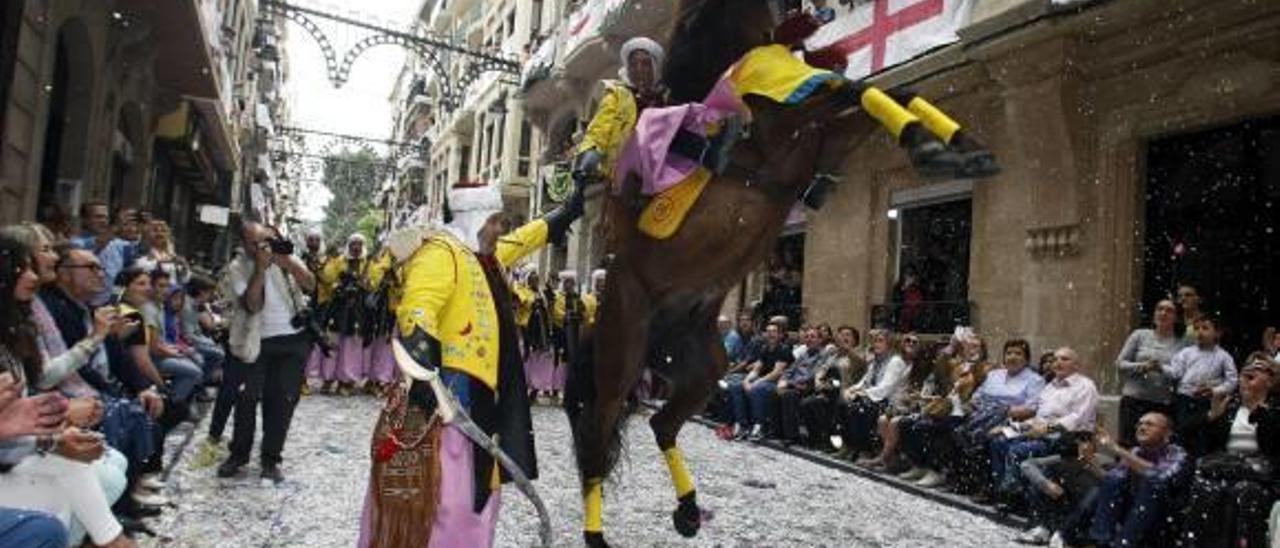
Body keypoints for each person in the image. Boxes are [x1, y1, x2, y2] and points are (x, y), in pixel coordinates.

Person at [358, 179, 585, 547]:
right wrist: (425, 379)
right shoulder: (441, 253)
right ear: (475, 217)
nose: (500, 229)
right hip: (447, 404)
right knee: (447, 498)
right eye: (495, 221)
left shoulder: (482, 256)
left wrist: (566, 213)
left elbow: (520, 240)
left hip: (481, 402)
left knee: (476, 494)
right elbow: (417, 310)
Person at [0, 234, 135, 548]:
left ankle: (112, 539)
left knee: (90, 474)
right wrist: (52, 436)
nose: (34, 275)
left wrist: (52, 434)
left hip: (21, 446)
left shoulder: (20, 323)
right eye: (23, 268)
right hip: (16, 454)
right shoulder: (45, 311)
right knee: (68, 502)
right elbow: (47, 379)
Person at [570, 37, 742, 198]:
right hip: (627, 167)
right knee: (655, 119)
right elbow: (599, 130)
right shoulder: (618, 96)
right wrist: (589, 156)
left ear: (655, 67)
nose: (639, 69)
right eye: (634, 64)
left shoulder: (666, 95)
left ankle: (716, 146)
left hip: (665, 162)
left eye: (645, 64)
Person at [215, 222, 316, 484]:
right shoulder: (238, 268)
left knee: (281, 403)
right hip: (255, 342)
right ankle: (239, 455)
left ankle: (271, 460)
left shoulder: (286, 258)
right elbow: (252, 304)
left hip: (292, 341)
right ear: (245, 245)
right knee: (246, 400)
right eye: (255, 243)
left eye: (267, 241)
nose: (262, 247)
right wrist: (260, 268)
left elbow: (311, 284)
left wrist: (288, 264)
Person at [1179, 354, 1280, 547]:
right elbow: (1187, 433)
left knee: (1244, 492)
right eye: (1247, 369)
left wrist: (1256, 405)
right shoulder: (1229, 406)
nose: (1251, 372)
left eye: (1259, 368)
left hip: (1262, 476)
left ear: (1271, 379)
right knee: (1206, 488)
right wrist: (1210, 417)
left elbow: (1273, 443)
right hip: (1226, 468)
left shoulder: (1276, 408)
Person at [989, 347, 1099, 502]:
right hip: (1042, 434)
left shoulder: (1085, 386)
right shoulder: (1049, 387)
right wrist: (1010, 429)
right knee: (998, 441)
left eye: (1065, 359)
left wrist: (1048, 428)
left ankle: (1012, 496)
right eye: (1055, 359)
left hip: (1068, 440)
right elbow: (1038, 418)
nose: (1058, 362)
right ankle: (1001, 490)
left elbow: (1078, 418)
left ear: (1076, 365)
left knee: (1017, 451)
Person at [1087, 412, 1187, 547]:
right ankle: (1100, 539)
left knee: (1151, 486)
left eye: (1149, 424)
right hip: (1134, 511)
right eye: (1139, 424)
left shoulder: (1176, 452)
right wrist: (1089, 462)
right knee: (1112, 481)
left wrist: (1117, 449)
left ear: (1167, 433)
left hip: (1164, 516)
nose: (1142, 427)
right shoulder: (1135, 452)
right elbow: (1112, 480)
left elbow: (1159, 477)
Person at [1163, 315, 1237, 457]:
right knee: (1182, 434)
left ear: (1217, 333)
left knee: (1202, 437)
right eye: (1197, 329)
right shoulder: (1186, 352)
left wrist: (1215, 390)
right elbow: (1176, 373)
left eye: (1205, 328)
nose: (1200, 332)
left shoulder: (1224, 356)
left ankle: (1200, 464)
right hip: (1184, 400)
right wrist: (1160, 367)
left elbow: (1232, 381)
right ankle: (1180, 462)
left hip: (1206, 403)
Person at [1114, 298, 1183, 447]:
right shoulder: (1140, 335)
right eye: (1160, 309)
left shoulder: (1181, 343)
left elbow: (1179, 372)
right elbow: (1120, 364)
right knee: (1128, 444)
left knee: (1156, 447)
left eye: (1169, 310)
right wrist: (1142, 366)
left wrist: (1161, 368)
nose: (1163, 313)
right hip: (1134, 400)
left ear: (1176, 317)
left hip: (1162, 403)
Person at [837, 329, 910, 461]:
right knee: (843, 402)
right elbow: (864, 381)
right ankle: (849, 445)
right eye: (875, 341)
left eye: (880, 341)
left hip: (889, 402)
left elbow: (885, 388)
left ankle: (866, 450)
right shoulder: (877, 361)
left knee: (860, 408)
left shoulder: (895, 362)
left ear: (890, 344)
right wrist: (850, 390)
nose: (875, 344)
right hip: (874, 398)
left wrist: (861, 394)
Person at [726, 322, 794, 440]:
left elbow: (776, 373)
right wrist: (747, 381)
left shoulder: (784, 349)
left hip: (777, 383)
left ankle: (759, 426)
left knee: (758, 389)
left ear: (780, 335)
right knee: (736, 386)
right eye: (768, 331)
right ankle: (742, 424)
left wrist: (757, 382)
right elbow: (757, 369)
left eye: (773, 331)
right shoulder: (764, 348)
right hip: (764, 381)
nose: (770, 334)